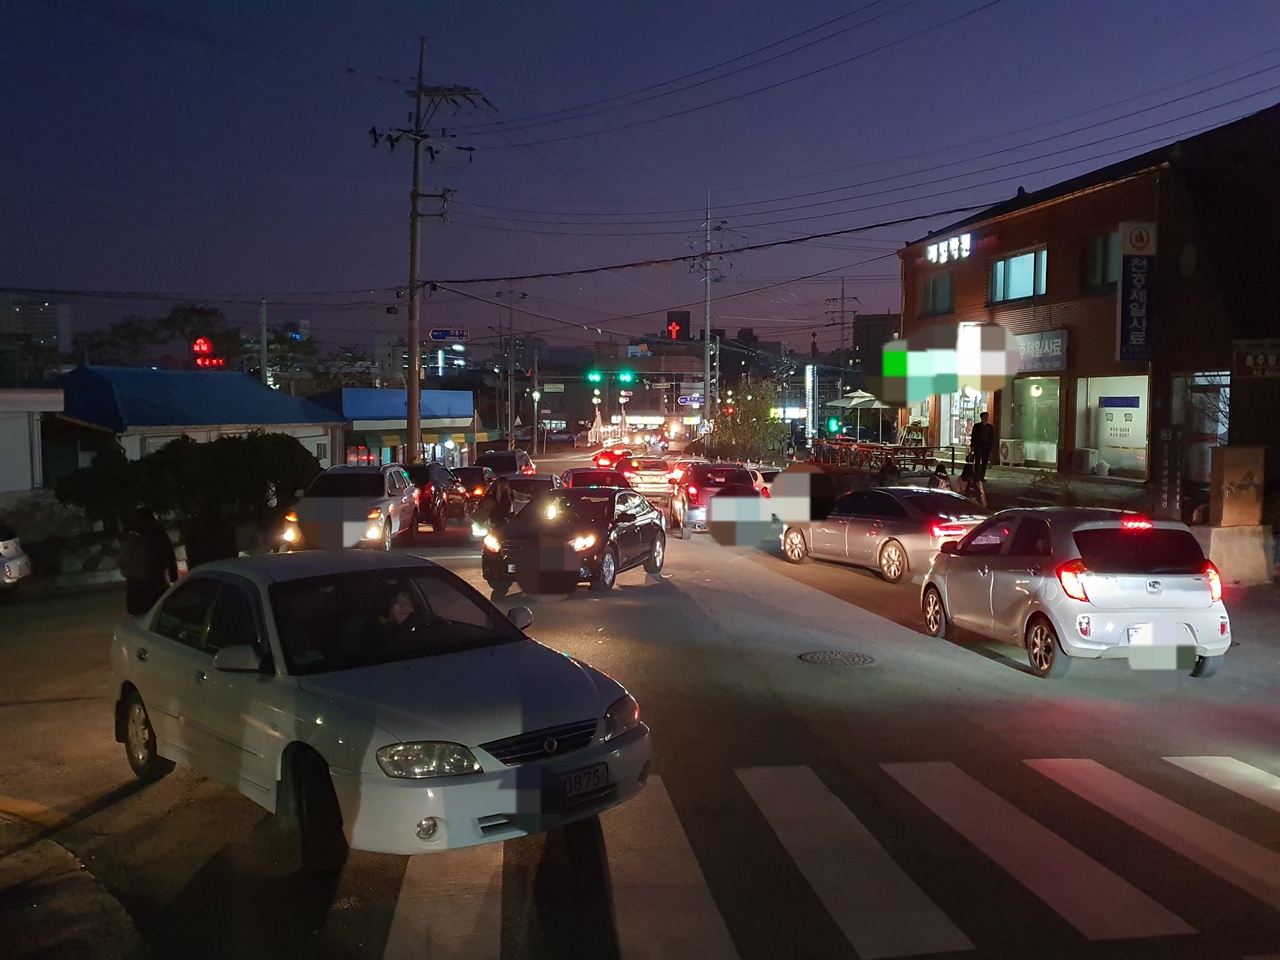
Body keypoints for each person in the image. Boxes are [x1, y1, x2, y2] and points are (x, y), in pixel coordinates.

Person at [121, 508, 178, 615]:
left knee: (141, 614)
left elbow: (124, 563)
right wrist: (173, 575)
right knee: (158, 613)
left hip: (137, 584)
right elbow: (169, 555)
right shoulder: (158, 536)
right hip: (154, 581)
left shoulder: (132, 538)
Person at [184, 496, 238, 570]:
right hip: (224, 571)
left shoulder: (195, 531)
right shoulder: (226, 530)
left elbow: (192, 556)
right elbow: (233, 553)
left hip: (204, 573)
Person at [970, 411, 996, 481]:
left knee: (985, 462)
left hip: (987, 447)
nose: (986, 418)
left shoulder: (990, 427)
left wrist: (992, 446)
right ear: (981, 418)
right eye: (985, 417)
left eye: (987, 417)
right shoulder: (976, 426)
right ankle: (976, 476)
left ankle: (982, 476)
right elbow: (974, 436)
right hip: (978, 446)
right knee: (977, 461)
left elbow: (992, 437)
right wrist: (972, 446)